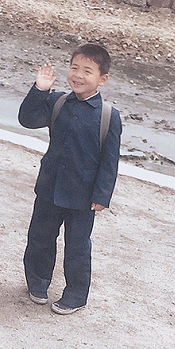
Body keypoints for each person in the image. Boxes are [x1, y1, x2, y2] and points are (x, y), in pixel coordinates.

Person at [18, 43, 122, 315]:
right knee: (40, 237)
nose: (78, 75)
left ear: (102, 79)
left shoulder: (109, 116)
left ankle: (76, 294)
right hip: (49, 187)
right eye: (74, 67)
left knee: (77, 246)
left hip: (83, 196)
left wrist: (102, 196)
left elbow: (110, 160)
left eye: (87, 71)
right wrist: (40, 90)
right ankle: (38, 282)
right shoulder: (58, 102)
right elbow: (27, 119)